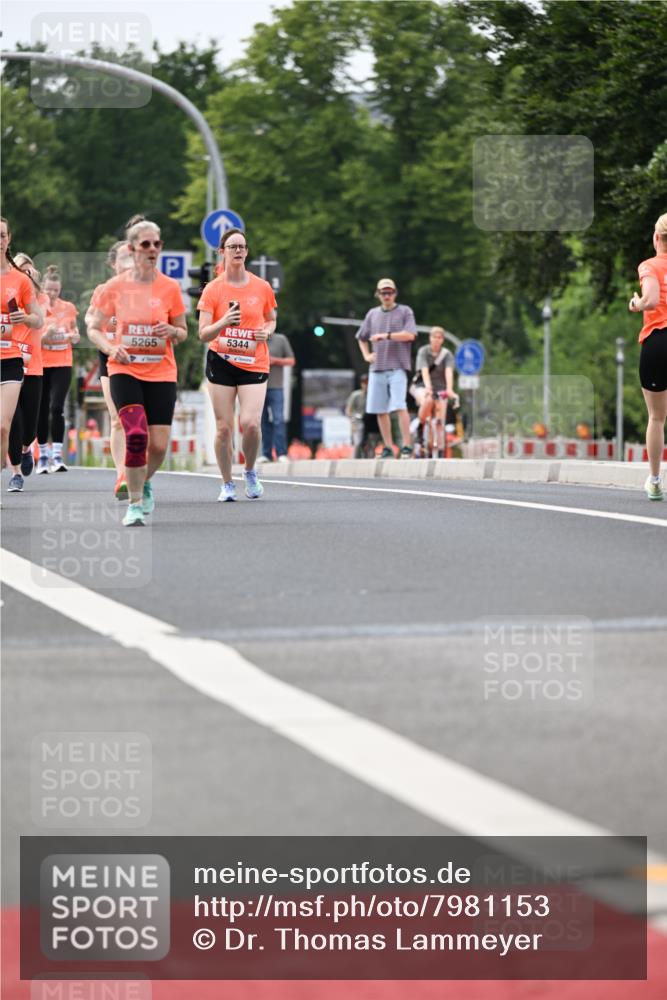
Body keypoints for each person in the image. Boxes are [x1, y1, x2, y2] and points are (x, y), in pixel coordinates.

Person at [87, 217, 188, 526]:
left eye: (157, 244)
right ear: (132, 249)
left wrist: (171, 330)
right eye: (146, 244)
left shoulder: (170, 287)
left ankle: (142, 481)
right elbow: (93, 327)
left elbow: (184, 332)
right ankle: (133, 504)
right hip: (124, 369)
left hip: (161, 372)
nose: (153, 249)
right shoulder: (115, 287)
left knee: (158, 445)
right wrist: (109, 347)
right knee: (135, 434)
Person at [197, 228, 277, 501]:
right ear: (222, 252)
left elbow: (271, 318)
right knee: (224, 427)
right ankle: (227, 482)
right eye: (233, 247)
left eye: (242, 246)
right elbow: (203, 333)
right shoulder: (213, 289)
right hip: (221, 360)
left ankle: (251, 471)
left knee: (251, 423)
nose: (239, 251)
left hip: (254, 360)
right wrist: (223, 323)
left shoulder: (261, 286)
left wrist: (267, 331)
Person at [85, 238, 134, 499]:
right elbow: (90, 318)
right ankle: (122, 475)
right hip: (109, 355)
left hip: (139, 358)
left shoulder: (145, 289)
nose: (128, 263)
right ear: (113, 264)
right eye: (123, 259)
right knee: (117, 418)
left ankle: (138, 469)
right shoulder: (104, 290)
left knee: (137, 421)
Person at [1, 217, 44, 488]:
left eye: (2, 234)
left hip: (10, 359)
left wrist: (24, 318)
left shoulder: (20, 280)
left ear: (8, 239)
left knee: (4, 426)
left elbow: (38, 319)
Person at [356, 277, 417, 459]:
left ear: (395, 293)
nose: (387, 295)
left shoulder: (405, 311)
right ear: (378, 294)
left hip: (397, 366)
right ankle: (388, 446)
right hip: (377, 367)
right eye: (383, 292)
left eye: (390, 292)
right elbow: (361, 336)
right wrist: (366, 355)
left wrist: (386, 336)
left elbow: (410, 335)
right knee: (379, 409)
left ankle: (407, 445)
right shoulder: (372, 314)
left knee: (399, 405)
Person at [629, 211, 667, 501]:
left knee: (656, 417)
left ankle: (655, 480)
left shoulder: (649, 266)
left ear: (656, 238)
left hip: (657, 342)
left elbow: (652, 300)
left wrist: (636, 303)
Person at [35, 265, 79, 473]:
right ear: (43, 288)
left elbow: (75, 332)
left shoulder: (68, 308)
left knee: (57, 408)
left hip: (62, 362)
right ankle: (43, 455)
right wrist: (47, 334)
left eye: (56, 290)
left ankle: (57, 456)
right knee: (42, 410)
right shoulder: (36, 307)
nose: (52, 294)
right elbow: (33, 340)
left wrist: (74, 337)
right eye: (49, 290)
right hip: (41, 363)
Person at [410, 326, 459, 457]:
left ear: (442, 339)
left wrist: (449, 389)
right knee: (428, 400)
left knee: (440, 415)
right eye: (434, 337)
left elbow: (449, 372)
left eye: (439, 337)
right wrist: (428, 388)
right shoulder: (423, 351)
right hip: (422, 386)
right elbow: (424, 370)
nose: (436, 340)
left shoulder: (447, 354)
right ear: (430, 338)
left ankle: (441, 447)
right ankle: (420, 428)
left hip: (440, 388)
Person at [258, 332, 295, 463]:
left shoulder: (281, 339)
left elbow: (291, 360)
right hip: (257, 387)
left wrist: (275, 360)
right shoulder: (253, 337)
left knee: (279, 419)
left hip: (276, 386)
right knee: (262, 421)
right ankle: (266, 454)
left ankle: (281, 453)